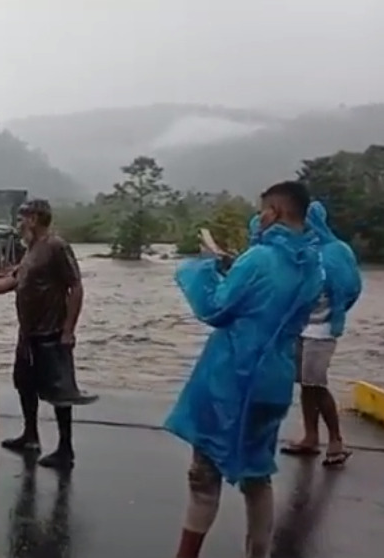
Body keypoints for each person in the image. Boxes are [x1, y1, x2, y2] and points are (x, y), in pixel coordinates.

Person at [166, 180, 323, 558]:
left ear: (277, 212)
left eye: (263, 209)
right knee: (258, 473)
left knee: (204, 473)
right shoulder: (313, 269)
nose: (259, 217)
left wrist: (204, 265)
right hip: (275, 380)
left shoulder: (258, 259)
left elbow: (216, 308)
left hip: (232, 378)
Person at [0, 199, 97, 470]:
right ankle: (30, 435)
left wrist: (69, 330)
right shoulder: (32, 249)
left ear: (34, 218)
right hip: (28, 333)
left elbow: (76, 286)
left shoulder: (56, 246)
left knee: (60, 392)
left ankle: (65, 449)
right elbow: (15, 280)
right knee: (24, 383)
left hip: (52, 332)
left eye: (20, 218)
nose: (18, 223)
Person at [280, 201, 362, 467]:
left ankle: (337, 441)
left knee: (316, 383)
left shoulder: (336, 251)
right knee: (306, 384)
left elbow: (351, 288)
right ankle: (310, 437)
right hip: (301, 328)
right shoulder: (301, 249)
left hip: (323, 330)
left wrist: (334, 312)